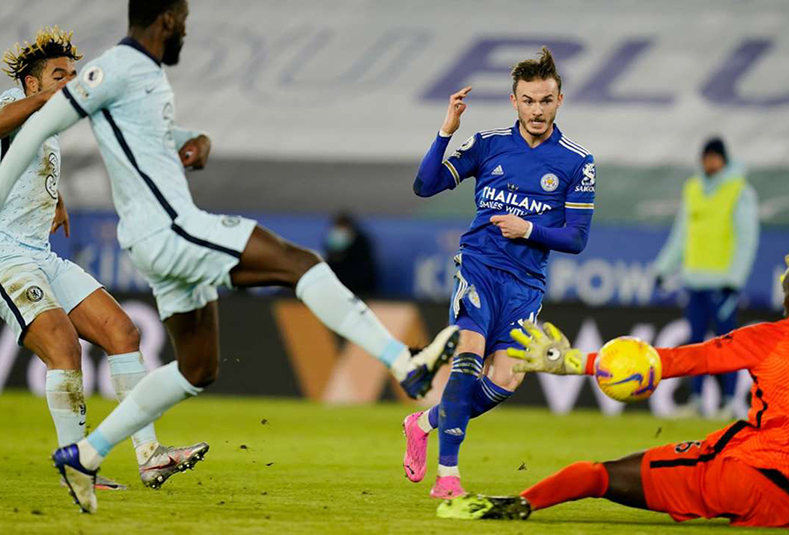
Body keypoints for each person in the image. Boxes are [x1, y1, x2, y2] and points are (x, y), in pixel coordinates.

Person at [0, 1, 459, 513]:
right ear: (169, 21)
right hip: (164, 229)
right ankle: (405, 361)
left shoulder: (140, 75)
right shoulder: (114, 68)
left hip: (125, 242)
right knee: (299, 263)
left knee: (193, 368)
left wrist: (195, 142)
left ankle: (89, 454)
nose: (186, 32)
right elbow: (24, 132)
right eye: (185, 23)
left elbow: (141, 140)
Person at [437, 250, 789, 528]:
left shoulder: (770, 338)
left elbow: (675, 362)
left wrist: (571, 362)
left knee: (599, 474)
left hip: (753, 475)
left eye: (787, 286)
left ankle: (519, 504)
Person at [0, 26, 206, 491]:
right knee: (63, 349)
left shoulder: (46, 123)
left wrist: (54, 199)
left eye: (74, 74)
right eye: (59, 75)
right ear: (32, 84)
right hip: (4, 255)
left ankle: (150, 456)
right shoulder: (14, 101)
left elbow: (24, 162)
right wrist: (47, 101)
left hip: (40, 253)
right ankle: (76, 471)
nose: (70, 82)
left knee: (122, 332)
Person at [403, 47, 596, 498]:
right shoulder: (489, 144)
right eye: (528, 100)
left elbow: (576, 238)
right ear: (514, 102)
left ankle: (425, 421)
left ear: (559, 101)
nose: (536, 110)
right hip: (480, 268)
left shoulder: (576, 162)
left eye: (545, 100)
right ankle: (448, 476)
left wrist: (527, 228)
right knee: (467, 360)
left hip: (525, 285)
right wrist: (445, 132)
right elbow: (424, 186)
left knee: (507, 378)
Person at [654, 137, 759, 419]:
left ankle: (727, 402)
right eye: (707, 157)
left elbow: (747, 239)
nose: (710, 163)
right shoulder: (693, 188)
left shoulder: (740, 191)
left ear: (724, 160)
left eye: (715, 158)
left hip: (722, 283)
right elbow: (681, 235)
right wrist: (664, 268)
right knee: (695, 347)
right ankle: (697, 400)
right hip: (694, 281)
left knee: (727, 346)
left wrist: (734, 280)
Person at [324, 213, 377, 296]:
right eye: (338, 227)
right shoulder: (331, 244)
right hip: (335, 291)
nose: (340, 231)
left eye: (343, 227)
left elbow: (364, 273)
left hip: (360, 291)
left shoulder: (361, 244)